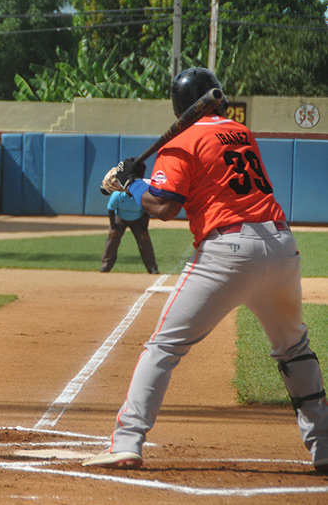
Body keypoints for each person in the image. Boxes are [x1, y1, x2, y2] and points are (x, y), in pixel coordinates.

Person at [84, 67, 328, 473]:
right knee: (295, 349)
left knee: (163, 347)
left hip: (228, 252)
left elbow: (164, 206)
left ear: (178, 106)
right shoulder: (239, 131)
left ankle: (126, 442)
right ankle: (325, 447)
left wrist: (131, 185)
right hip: (281, 246)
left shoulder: (182, 139)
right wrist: (141, 182)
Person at [99, 190, 158, 274]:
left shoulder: (141, 195)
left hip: (138, 219)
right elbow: (111, 210)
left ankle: (152, 268)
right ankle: (105, 266)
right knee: (112, 238)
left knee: (144, 240)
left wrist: (144, 229)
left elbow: (146, 212)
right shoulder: (117, 195)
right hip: (120, 217)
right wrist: (113, 227)